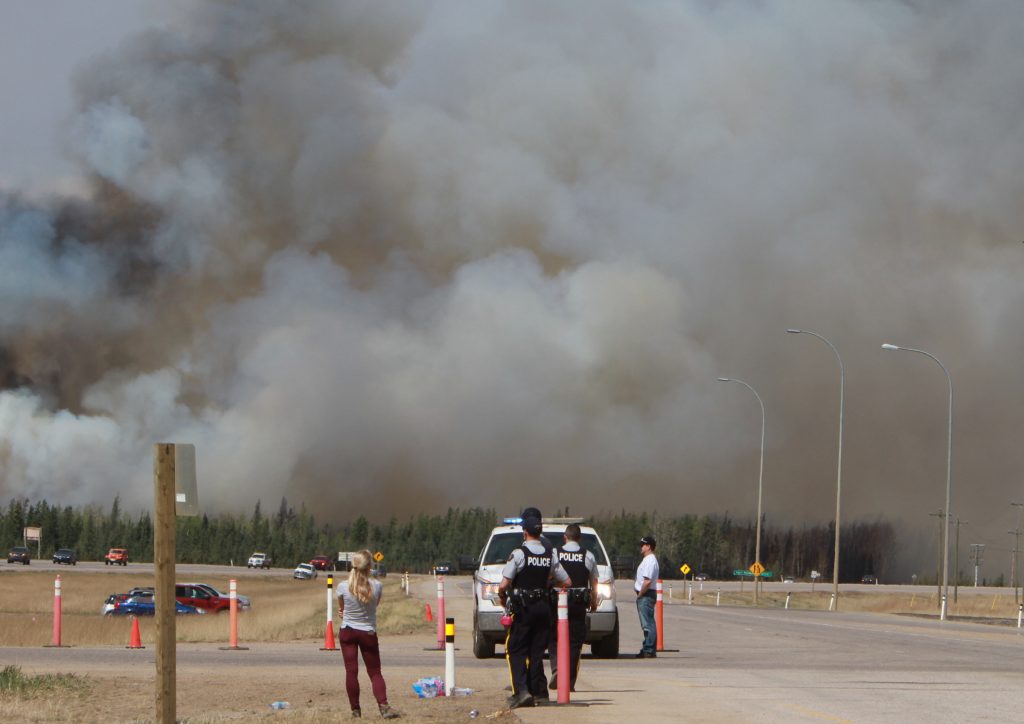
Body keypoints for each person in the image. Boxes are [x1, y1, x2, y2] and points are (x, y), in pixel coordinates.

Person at [498, 514, 570, 709]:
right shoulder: (550, 555)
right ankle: (537, 692)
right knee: (536, 652)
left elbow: (504, 584)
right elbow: (566, 581)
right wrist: (547, 585)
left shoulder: (519, 553)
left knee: (515, 649)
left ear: (525, 533)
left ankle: (521, 692)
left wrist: (502, 596)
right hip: (544, 608)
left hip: (524, 608)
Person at [336, 549, 400, 719]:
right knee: (375, 672)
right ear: (369, 566)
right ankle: (384, 706)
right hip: (368, 632)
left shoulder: (342, 586)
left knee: (351, 672)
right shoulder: (377, 586)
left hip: (348, 631)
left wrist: (344, 612)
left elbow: (342, 609)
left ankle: (355, 710)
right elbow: (374, 606)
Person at [548, 523, 598, 692]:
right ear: (580, 538)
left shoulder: (555, 553)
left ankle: (557, 668)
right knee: (575, 642)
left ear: (565, 537)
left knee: (553, 637)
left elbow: (549, 576)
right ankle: (568, 681)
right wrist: (593, 601)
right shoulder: (588, 555)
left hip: (557, 602)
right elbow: (594, 582)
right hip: (578, 603)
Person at [634, 535, 659, 658]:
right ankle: (648, 648)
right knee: (646, 624)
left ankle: (649, 649)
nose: (641, 547)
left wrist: (640, 594)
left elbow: (647, 581)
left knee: (648, 624)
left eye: (643, 545)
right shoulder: (647, 560)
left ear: (648, 546)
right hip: (646, 594)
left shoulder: (650, 561)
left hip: (646, 594)